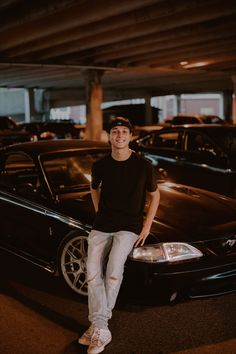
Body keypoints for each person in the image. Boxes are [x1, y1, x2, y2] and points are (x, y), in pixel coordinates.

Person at [78, 117, 160, 354]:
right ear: (109, 136)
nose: (120, 135)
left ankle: (98, 327)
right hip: (102, 224)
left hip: (129, 226)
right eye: (115, 131)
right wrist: (99, 212)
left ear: (130, 136)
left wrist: (146, 227)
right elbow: (94, 188)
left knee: (113, 271)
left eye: (125, 131)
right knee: (92, 272)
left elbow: (155, 196)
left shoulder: (143, 165)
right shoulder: (100, 165)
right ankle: (100, 327)